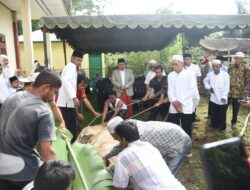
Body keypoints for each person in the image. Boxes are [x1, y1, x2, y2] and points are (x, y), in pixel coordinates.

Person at [0, 70, 61, 190]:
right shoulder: (43, 111)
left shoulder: (11, 97)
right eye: (54, 92)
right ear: (46, 88)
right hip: (22, 174)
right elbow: (47, 153)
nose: (54, 97)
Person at [104, 116, 192, 176]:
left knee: (167, 177)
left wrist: (110, 172)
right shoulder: (130, 127)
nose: (115, 139)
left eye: (116, 137)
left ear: (120, 133)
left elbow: (130, 162)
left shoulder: (137, 136)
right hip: (170, 139)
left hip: (180, 142)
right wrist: (107, 156)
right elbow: (121, 146)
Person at [112, 121, 186, 190]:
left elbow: (120, 187)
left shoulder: (123, 156)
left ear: (124, 139)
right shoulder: (149, 147)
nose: (118, 141)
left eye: (117, 138)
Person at [167, 55, 196, 138]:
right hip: (174, 105)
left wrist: (180, 102)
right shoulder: (170, 75)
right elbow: (170, 90)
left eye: (176, 64)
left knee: (186, 127)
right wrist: (174, 102)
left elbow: (191, 90)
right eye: (172, 64)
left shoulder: (190, 74)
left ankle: (187, 146)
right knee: (173, 127)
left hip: (186, 105)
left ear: (182, 64)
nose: (174, 66)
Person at [57, 50, 83, 143]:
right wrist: (74, 97)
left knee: (69, 128)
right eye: (78, 60)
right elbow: (66, 81)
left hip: (67, 103)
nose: (79, 63)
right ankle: (70, 147)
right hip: (66, 103)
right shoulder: (70, 67)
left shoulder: (71, 67)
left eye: (81, 61)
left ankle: (68, 145)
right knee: (71, 129)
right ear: (72, 58)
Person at [204, 59, 230, 131]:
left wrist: (224, 96)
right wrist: (209, 87)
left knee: (222, 113)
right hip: (213, 97)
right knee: (214, 112)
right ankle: (214, 125)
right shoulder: (210, 74)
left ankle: (222, 127)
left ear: (220, 66)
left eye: (217, 66)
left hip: (222, 97)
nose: (215, 68)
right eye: (214, 66)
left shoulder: (225, 75)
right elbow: (205, 81)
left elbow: (226, 87)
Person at [227, 52, 250, 129]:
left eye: (240, 59)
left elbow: (247, 80)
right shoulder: (230, 66)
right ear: (234, 58)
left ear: (243, 59)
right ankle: (222, 121)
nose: (238, 60)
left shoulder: (246, 68)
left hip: (239, 92)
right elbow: (227, 76)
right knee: (225, 106)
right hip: (229, 91)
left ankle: (234, 122)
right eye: (236, 58)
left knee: (235, 108)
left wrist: (243, 89)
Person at [184, 54, 201, 122]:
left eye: (188, 59)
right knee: (187, 101)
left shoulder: (196, 67)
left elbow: (199, 76)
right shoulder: (182, 67)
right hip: (186, 88)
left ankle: (194, 115)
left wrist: (199, 84)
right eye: (185, 59)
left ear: (191, 59)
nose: (186, 61)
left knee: (194, 100)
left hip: (194, 88)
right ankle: (187, 115)